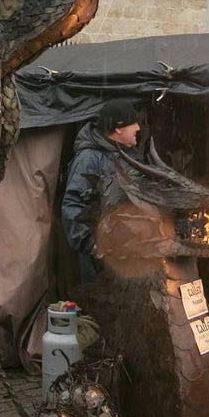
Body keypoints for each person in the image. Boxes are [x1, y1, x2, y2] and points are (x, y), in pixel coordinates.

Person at [61, 97, 145, 281]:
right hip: (100, 261)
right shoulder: (88, 159)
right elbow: (72, 205)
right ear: (118, 128)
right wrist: (92, 244)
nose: (138, 128)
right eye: (133, 123)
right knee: (103, 306)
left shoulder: (131, 156)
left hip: (131, 255)